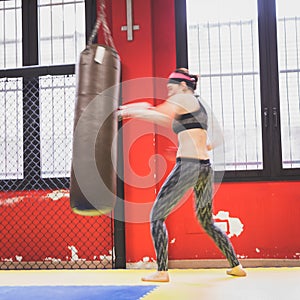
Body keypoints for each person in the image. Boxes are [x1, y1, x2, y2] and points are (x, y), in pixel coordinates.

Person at [118, 68, 247, 282]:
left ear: (183, 86)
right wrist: (200, 145)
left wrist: (133, 110)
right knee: (206, 221)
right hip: (205, 167)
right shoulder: (200, 104)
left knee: (156, 216)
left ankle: (161, 271)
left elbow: (159, 114)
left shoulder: (184, 99)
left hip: (188, 167)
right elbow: (219, 136)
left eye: (171, 88)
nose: (170, 93)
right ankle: (236, 265)